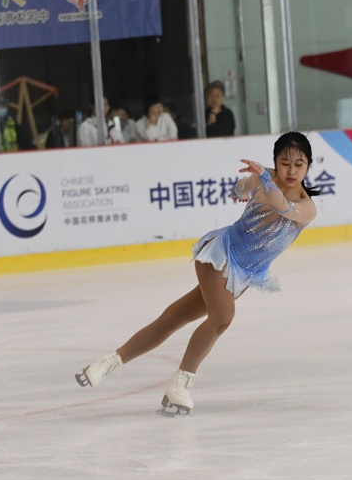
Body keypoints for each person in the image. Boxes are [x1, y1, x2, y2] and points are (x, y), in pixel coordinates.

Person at [75, 131, 320, 416]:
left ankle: (108, 362)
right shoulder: (265, 178)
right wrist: (242, 188)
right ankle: (180, 384)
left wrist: (261, 180)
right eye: (284, 162)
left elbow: (282, 206)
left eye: (298, 164)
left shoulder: (306, 208)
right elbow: (242, 187)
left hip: (240, 274)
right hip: (219, 254)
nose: (291, 170)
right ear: (275, 161)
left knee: (173, 319)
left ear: (308, 166)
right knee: (222, 317)